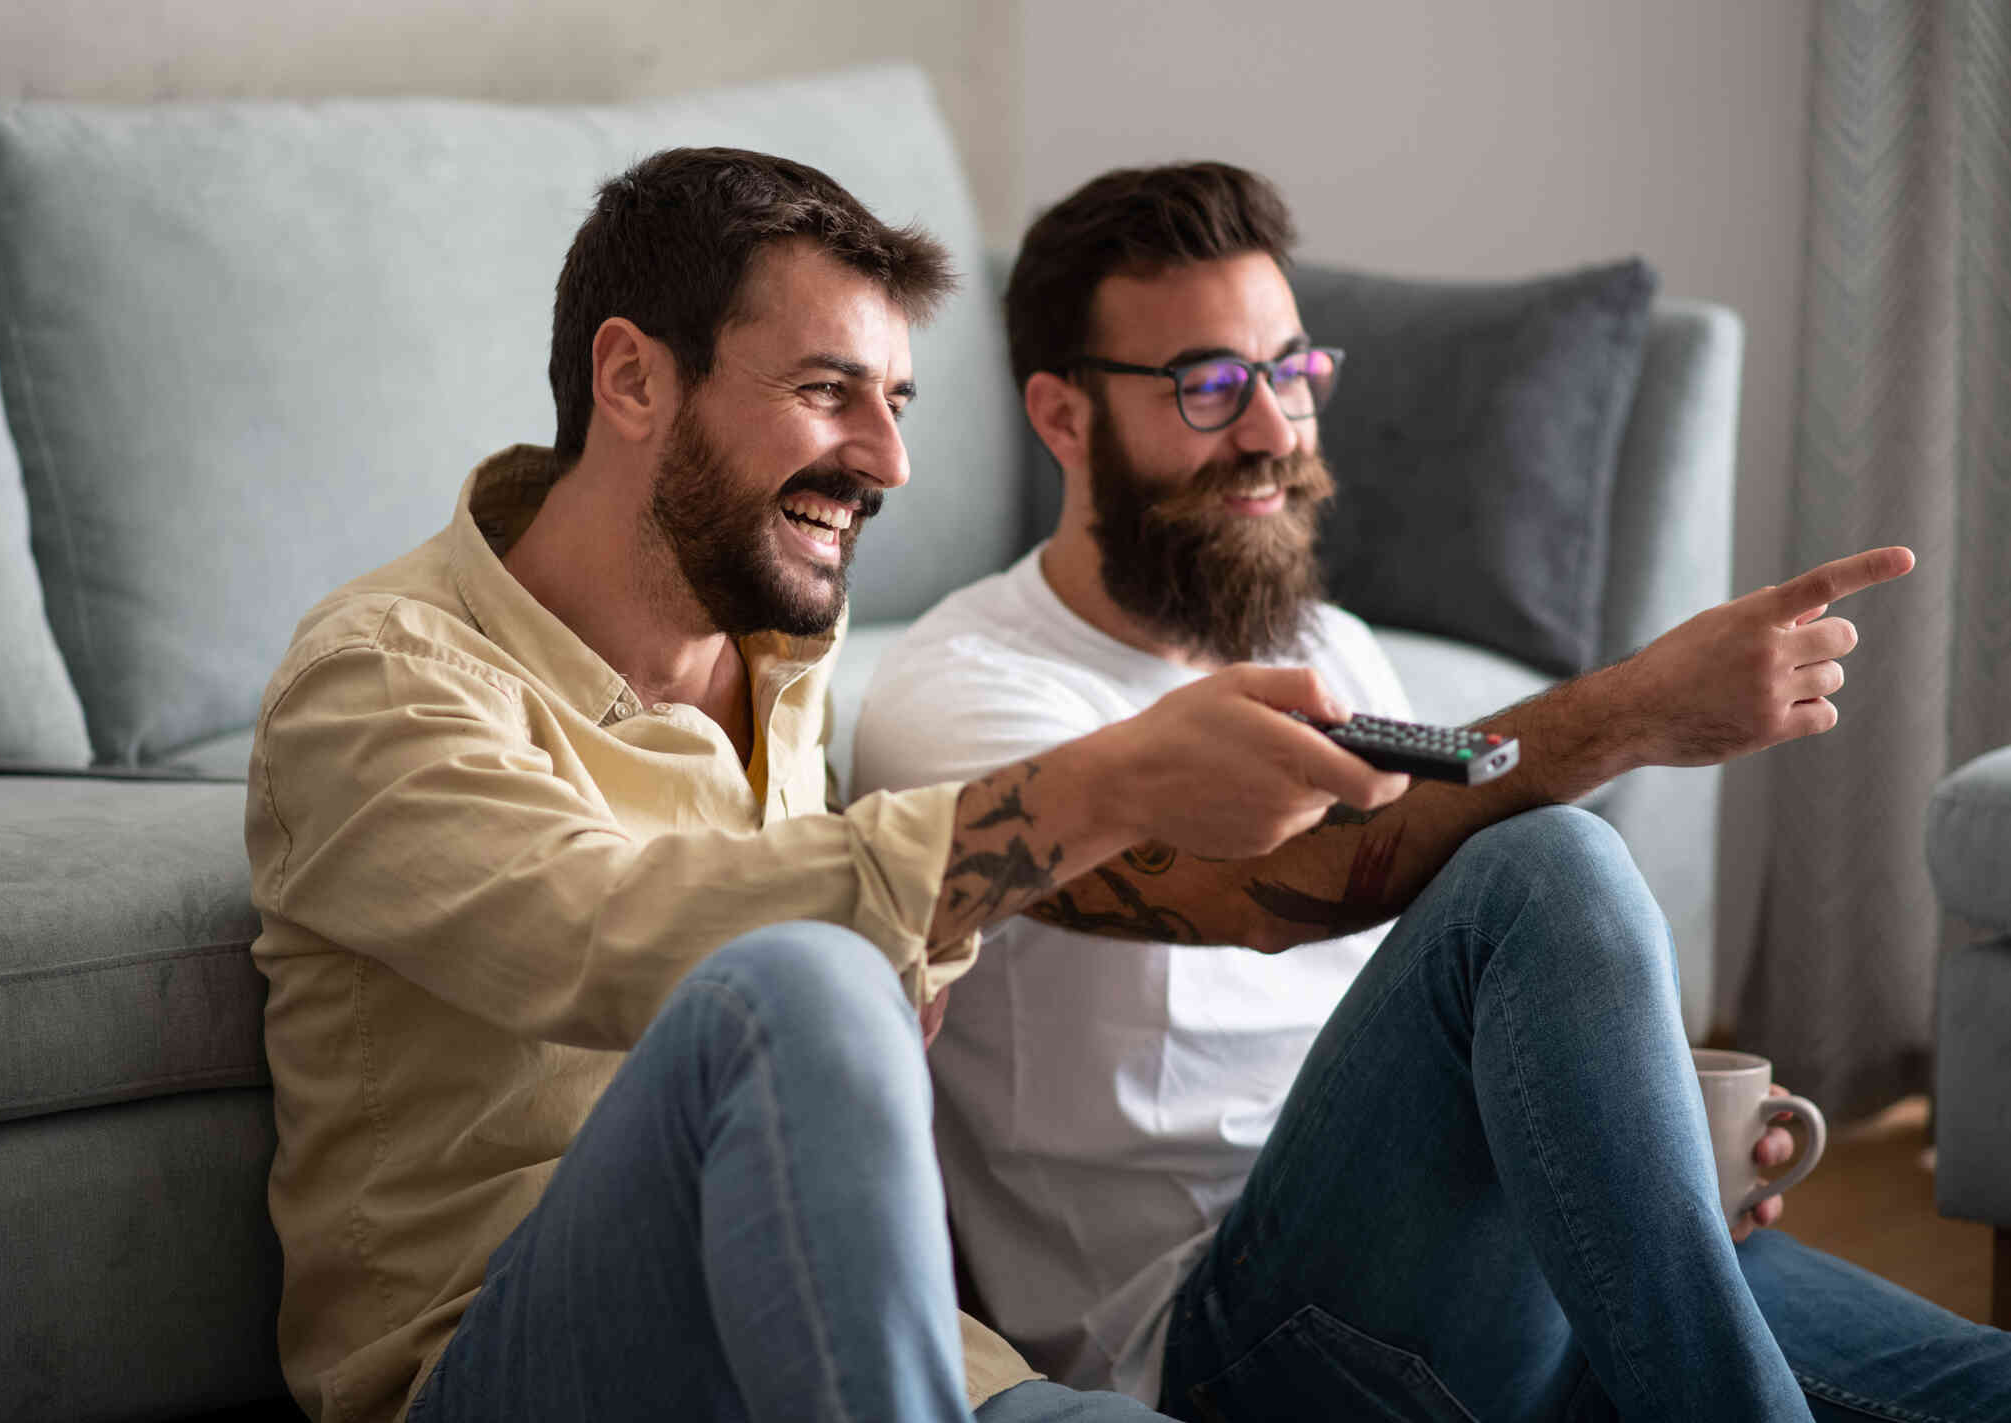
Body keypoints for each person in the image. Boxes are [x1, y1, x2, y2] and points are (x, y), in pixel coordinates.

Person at [245, 147, 1418, 1423]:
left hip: (905, 1355)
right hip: (521, 1364)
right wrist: (1107, 786)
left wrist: (904, 973)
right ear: (633, 378)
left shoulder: (786, 665)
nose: (890, 461)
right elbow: (611, 933)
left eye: (898, 401)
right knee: (791, 979)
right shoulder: (379, 678)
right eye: (828, 391)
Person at [853, 161, 2011, 1421]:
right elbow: (1253, 890)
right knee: (1544, 863)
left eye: (1293, 372)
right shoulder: (964, 698)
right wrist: (1631, 712)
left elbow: (1433, 989)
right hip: (1226, 1329)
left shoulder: (1329, 647)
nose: (1272, 431)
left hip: (1482, 1268)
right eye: (1209, 386)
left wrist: (1647, 1149)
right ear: (1063, 416)